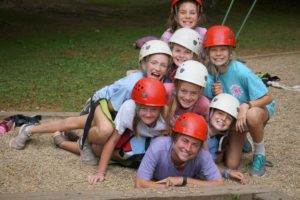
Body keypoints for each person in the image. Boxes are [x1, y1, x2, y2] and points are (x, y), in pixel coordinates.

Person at [10, 40, 172, 165]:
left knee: (73, 123)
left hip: (118, 109)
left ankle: (36, 130)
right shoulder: (130, 84)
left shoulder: (162, 84)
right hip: (104, 103)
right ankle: (34, 131)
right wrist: (95, 122)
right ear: (144, 63)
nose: (158, 68)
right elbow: (111, 107)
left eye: (163, 65)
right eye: (154, 63)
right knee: (102, 129)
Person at [203, 25, 275, 176]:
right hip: (234, 115)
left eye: (222, 49)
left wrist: (246, 105)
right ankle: (241, 139)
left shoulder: (240, 71)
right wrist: (219, 96)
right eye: (213, 50)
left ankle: (260, 154)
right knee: (232, 164)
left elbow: (268, 97)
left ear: (230, 53)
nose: (218, 54)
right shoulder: (210, 74)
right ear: (207, 53)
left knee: (252, 115)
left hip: (256, 109)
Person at [87, 77, 168, 184]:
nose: (148, 114)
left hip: (145, 139)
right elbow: (112, 140)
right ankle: (73, 138)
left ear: (161, 108)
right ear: (136, 106)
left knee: (100, 151)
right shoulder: (128, 109)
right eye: (143, 108)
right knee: (96, 147)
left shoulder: (167, 118)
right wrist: (100, 172)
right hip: (126, 130)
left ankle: (63, 140)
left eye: (153, 109)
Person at [135, 112, 223, 188]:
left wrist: (183, 180)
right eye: (185, 141)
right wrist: (169, 189)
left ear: (200, 147)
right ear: (174, 138)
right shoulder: (158, 146)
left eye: (195, 144)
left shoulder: (202, 154)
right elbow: (140, 183)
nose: (188, 148)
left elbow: (219, 183)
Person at [206, 93, 245, 184]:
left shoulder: (216, 141)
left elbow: (209, 164)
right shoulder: (198, 126)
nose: (223, 118)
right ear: (211, 112)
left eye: (229, 118)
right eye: (220, 113)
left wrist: (228, 173)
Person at [166, 60, 210, 129]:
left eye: (193, 93)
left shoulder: (203, 105)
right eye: (183, 91)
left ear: (200, 92)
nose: (187, 97)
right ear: (176, 86)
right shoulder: (167, 91)